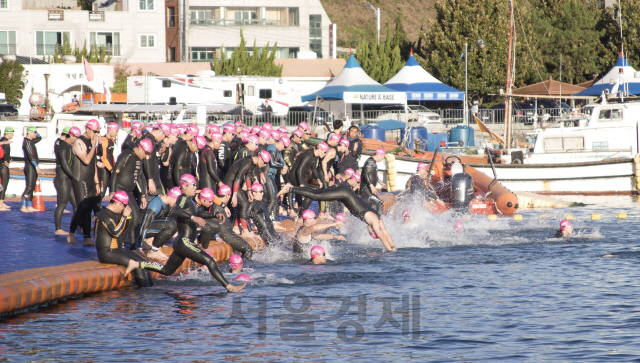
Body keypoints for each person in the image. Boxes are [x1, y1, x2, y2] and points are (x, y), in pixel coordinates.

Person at [126, 174, 246, 293]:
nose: (195, 187)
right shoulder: (182, 198)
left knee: (166, 270)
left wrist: (214, 215)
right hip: (184, 241)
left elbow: (199, 213)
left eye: (195, 185)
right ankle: (229, 287)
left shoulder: (190, 201)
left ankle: (136, 264)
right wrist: (193, 218)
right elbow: (177, 211)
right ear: (184, 186)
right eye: (193, 185)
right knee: (209, 261)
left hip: (182, 243)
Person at [278, 179, 397, 252]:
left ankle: (291, 188)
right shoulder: (374, 221)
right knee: (315, 195)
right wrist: (389, 251)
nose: (370, 231)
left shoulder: (378, 218)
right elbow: (382, 235)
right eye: (372, 233)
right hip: (344, 194)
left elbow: (386, 233)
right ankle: (290, 188)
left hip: (345, 195)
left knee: (317, 194)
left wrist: (393, 247)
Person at [95, 191, 156, 287]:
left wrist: (127, 217)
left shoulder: (113, 214)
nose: (124, 208)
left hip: (117, 250)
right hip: (107, 252)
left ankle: (151, 289)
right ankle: (144, 294)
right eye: (124, 205)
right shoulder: (104, 215)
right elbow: (115, 232)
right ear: (118, 203)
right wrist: (124, 216)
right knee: (137, 266)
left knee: (142, 263)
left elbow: (122, 230)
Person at [110, 138, 152, 250]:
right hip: (120, 190)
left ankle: (134, 248)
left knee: (136, 218)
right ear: (140, 148)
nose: (147, 156)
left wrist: (143, 195)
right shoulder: (127, 155)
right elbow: (115, 173)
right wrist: (113, 192)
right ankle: (120, 244)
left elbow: (140, 177)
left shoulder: (139, 159)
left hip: (129, 192)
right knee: (124, 217)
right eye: (146, 153)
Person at [198, 184, 254, 259]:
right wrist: (217, 237)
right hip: (225, 234)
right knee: (248, 250)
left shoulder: (218, 205)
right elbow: (214, 223)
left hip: (227, 232)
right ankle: (242, 267)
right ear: (228, 195)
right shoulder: (218, 207)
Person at [69, 120, 101, 246]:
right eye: (94, 131)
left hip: (90, 179)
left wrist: (97, 182)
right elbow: (86, 160)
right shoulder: (79, 141)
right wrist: (93, 146)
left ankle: (87, 237)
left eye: (98, 132)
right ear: (87, 129)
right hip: (80, 178)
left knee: (88, 209)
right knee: (82, 207)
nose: (96, 134)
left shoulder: (93, 143)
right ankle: (71, 233)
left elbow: (93, 164)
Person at [222, 151, 270, 235]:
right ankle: (244, 230)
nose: (265, 165)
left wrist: (249, 191)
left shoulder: (253, 163)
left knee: (244, 203)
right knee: (244, 204)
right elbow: (238, 178)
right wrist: (234, 195)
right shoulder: (247, 162)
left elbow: (248, 176)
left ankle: (236, 227)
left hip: (235, 183)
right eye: (265, 162)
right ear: (260, 158)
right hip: (230, 182)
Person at [137, 187, 181, 261]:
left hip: (146, 227)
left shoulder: (162, 200)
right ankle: (153, 251)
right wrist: (139, 248)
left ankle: (157, 250)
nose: (176, 205)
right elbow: (144, 225)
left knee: (174, 222)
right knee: (172, 225)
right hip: (140, 229)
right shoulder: (155, 205)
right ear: (172, 197)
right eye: (177, 202)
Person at [287, 142, 329, 219]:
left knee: (307, 195)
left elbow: (313, 168)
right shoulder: (309, 155)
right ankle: (300, 216)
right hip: (294, 176)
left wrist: (318, 180)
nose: (325, 154)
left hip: (299, 176)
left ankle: (300, 214)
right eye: (325, 152)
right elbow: (299, 170)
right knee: (310, 195)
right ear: (319, 149)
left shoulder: (315, 155)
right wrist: (301, 184)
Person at [53, 126, 80, 235]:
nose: (77, 140)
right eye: (76, 137)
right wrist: (75, 177)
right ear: (72, 135)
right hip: (62, 179)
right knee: (62, 204)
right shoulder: (63, 146)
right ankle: (58, 229)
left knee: (76, 204)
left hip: (67, 179)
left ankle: (76, 225)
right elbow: (64, 164)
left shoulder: (68, 146)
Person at [141, 123, 170, 195]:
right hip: (147, 178)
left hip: (151, 177)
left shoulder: (151, 139)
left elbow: (151, 159)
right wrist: (150, 180)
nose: (163, 139)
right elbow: (146, 160)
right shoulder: (149, 140)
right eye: (164, 136)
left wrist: (158, 153)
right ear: (160, 131)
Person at [97, 122, 119, 204]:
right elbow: (103, 157)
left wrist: (114, 167)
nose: (117, 133)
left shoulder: (112, 140)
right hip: (104, 170)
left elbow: (111, 156)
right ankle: (96, 213)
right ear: (111, 130)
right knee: (102, 193)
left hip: (110, 169)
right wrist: (111, 169)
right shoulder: (104, 140)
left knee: (113, 191)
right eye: (116, 131)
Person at [21, 126, 42, 213]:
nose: (36, 134)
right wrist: (36, 166)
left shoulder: (31, 141)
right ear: (29, 133)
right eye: (34, 132)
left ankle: (29, 206)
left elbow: (39, 137)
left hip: (33, 167)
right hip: (30, 167)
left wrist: (36, 131)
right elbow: (30, 155)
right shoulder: (27, 142)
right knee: (29, 187)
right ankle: (23, 206)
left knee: (32, 186)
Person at [266, 136, 287, 219]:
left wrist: (284, 166)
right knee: (272, 200)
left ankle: (273, 220)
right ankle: (268, 221)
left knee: (276, 199)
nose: (284, 148)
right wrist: (282, 166)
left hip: (271, 176)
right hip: (267, 175)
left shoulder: (278, 150)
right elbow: (272, 162)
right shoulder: (272, 147)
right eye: (284, 146)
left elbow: (282, 161)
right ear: (281, 143)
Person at [360, 148, 387, 214]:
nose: (382, 159)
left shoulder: (373, 162)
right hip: (366, 190)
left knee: (371, 208)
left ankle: (373, 221)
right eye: (382, 157)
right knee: (379, 204)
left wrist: (380, 182)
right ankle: (378, 221)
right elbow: (365, 174)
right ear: (378, 155)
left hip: (368, 189)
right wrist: (371, 186)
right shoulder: (370, 162)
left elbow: (372, 174)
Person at [0, 127, 14, 210]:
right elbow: (4, 153)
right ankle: (1, 204)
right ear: (8, 133)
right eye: (12, 133)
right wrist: (6, 161)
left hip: (2, 164)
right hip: (3, 166)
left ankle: (2, 202)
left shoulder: (2, 140)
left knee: (3, 184)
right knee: (4, 184)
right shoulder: (5, 142)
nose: (13, 135)